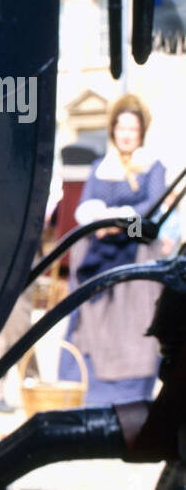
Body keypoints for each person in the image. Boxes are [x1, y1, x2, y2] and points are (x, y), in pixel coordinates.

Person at [58, 95, 167, 405]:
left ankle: (130, 394)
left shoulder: (153, 166)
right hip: (100, 252)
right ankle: (90, 390)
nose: (126, 134)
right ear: (113, 130)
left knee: (134, 324)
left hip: (136, 253)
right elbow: (84, 205)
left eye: (132, 128)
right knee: (92, 319)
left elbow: (153, 207)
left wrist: (121, 222)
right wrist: (99, 220)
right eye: (121, 127)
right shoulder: (100, 166)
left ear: (141, 131)